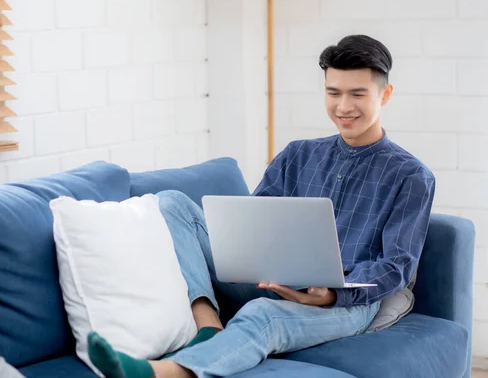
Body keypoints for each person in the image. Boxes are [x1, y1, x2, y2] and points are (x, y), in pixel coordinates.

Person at [86, 34, 436, 378]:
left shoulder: (411, 176)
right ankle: (209, 326)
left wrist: (331, 293)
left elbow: (397, 266)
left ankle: (158, 372)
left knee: (264, 315)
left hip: (345, 303)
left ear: (385, 94)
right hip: (272, 278)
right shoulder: (298, 154)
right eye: (333, 93)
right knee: (172, 202)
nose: (343, 107)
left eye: (357, 94)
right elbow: (254, 224)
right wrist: (256, 259)